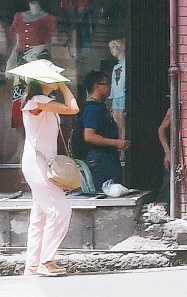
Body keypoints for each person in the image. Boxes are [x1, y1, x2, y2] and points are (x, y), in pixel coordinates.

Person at [13, 61, 78, 277]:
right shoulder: (38, 100)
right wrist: (62, 85)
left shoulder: (39, 100)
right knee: (60, 210)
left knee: (40, 215)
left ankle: (32, 264)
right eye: (51, 78)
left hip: (40, 161)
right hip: (38, 163)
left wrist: (59, 84)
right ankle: (46, 260)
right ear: (42, 81)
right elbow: (73, 108)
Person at [75, 69, 127, 193]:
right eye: (107, 84)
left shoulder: (100, 107)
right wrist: (116, 143)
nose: (110, 87)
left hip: (108, 157)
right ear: (97, 86)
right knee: (106, 192)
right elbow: (89, 136)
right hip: (99, 159)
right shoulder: (92, 109)